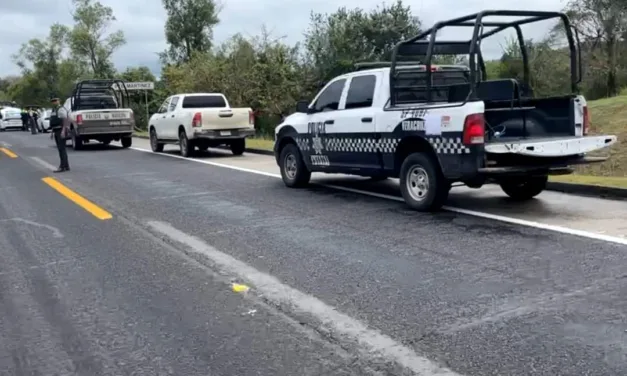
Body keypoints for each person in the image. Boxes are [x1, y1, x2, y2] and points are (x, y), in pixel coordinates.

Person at [49, 97, 70, 172]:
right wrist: (52, 132)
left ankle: (62, 167)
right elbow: (53, 121)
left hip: (60, 130)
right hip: (56, 130)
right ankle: (66, 166)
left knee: (62, 149)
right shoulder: (54, 110)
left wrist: (63, 131)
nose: (54, 102)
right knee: (61, 149)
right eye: (52, 101)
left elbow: (65, 119)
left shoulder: (61, 109)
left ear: (59, 101)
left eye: (55, 100)